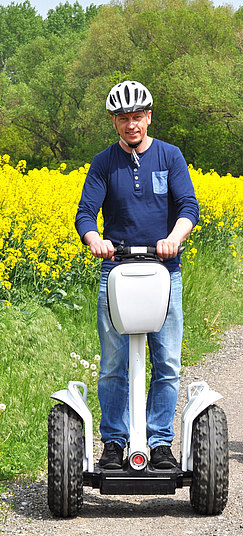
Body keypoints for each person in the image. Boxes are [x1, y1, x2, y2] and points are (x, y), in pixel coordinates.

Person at [75, 80, 199, 470]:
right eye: (123, 118)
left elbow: (188, 206)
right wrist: (94, 238)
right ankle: (114, 443)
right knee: (114, 364)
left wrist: (173, 238)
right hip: (117, 271)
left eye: (137, 117)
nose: (132, 124)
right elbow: (85, 213)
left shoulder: (170, 156)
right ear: (114, 122)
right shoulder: (103, 162)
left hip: (164, 272)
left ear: (149, 116)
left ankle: (160, 443)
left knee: (167, 362)